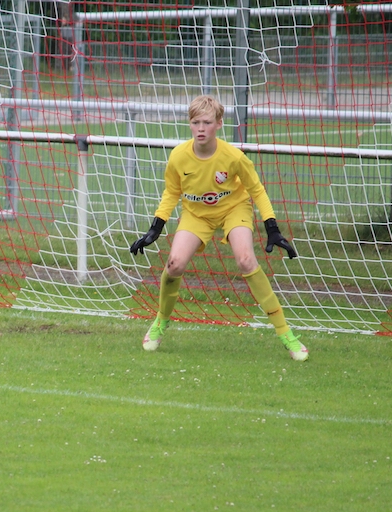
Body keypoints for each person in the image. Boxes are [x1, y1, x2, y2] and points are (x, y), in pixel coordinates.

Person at [130, 95, 309, 361]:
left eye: (207, 122)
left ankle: (286, 334)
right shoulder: (178, 156)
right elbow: (171, 192)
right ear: (189, 124)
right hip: (196, 215)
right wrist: (156, 227)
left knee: (246, 260)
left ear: (219, 124)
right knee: (174, 264)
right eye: (195, 123)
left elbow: (256, 190)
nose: (201, 128)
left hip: (233, 209)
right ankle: (160, 321)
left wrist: (272, 227)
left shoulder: (233, 157)